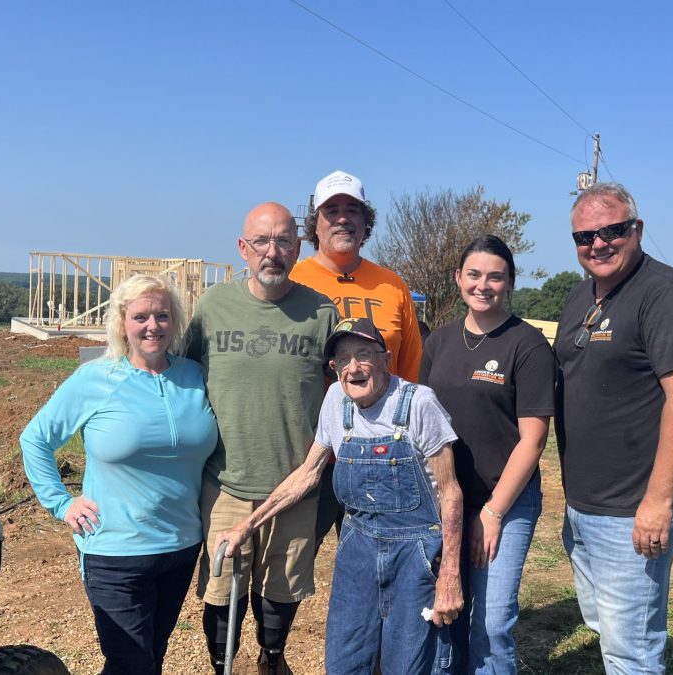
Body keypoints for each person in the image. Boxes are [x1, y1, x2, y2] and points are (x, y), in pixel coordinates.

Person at [215, 318, 464, 675]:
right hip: (357, 554)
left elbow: (451, 493)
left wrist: (449, 577)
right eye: (343, 359)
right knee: (344, 663)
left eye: (364, 354)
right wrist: (247, 526)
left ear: (386, 359)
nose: (353, 367)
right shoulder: (336, 400)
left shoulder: (418, 403)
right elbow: (308, 473)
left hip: (416, 555)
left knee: (408, 665)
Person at [19, 274, 218, 675]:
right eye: (140, 316)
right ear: (122, 323)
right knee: (131, 663)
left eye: (162, 315)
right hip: (114, 550)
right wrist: (61, 502)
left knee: (152, 656)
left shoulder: (194, 376)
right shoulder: (96, 379)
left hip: (180, 545)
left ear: (175, 321)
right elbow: (35, 439)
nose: (152, 326)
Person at [554, 183, 673, 674]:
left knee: (632, 651)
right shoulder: (582, 294)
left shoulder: (668, 296)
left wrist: (659, 502)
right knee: (606, 625)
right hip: (585, 503)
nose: (598, 244)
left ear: (636, 230)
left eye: (612, 230)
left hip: (633, 511)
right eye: (585, 236)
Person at [183, 202, 338, 675]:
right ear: (243, 249)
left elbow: (342, 396)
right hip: (225, 480)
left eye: (284, 241)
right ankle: (221, 664)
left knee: (281, 587)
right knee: (223, 584)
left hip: (294, 484)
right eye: (262, 242)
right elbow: (184, 377)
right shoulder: (212, 307)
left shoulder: (322, 313)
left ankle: (272, 658)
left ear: (299, 247)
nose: (273, 252)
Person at [420, 235, 556, 674]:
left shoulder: (528, 345)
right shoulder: (438, 343)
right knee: (448, 611)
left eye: (495, 276)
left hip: (505, 500)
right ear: (458, 278)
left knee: (492, 623)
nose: (483, 285)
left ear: (510, 282)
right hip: (446, 500)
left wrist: (493, 513)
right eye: (474, 274)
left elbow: (533, 440)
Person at [290, 169, 425, 552]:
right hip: (311, 458)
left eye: (353, 209)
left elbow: (410, 369)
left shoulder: (392, 285)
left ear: (367, 222)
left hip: (382, 457)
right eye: (331, 210)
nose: (343, 218)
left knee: (385, 561)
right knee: (287, 573)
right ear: (315, 222)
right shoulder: (294, 282)